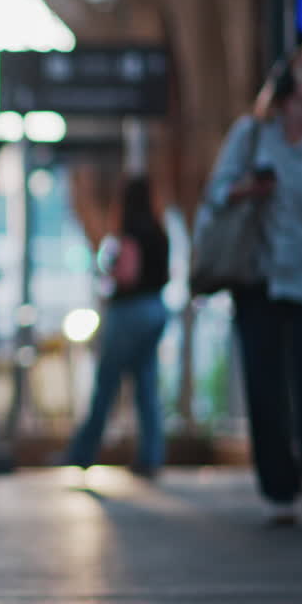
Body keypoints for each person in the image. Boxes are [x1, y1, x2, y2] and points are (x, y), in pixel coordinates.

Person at [205, 43, 302, 526]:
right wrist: (250, 188)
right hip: (259, 278)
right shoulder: (252, 134)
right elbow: (215, 194)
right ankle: (279, 490)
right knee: (265, 389)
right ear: (287, 79)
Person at [64, 176, 170, 478]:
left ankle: (82, 453)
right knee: (147, 386)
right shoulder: (161, 233)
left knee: (106, 383)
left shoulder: (130, 233)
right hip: (156, 308)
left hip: (129, 310)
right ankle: (151, 456)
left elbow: (126, 275)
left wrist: (109, 268)